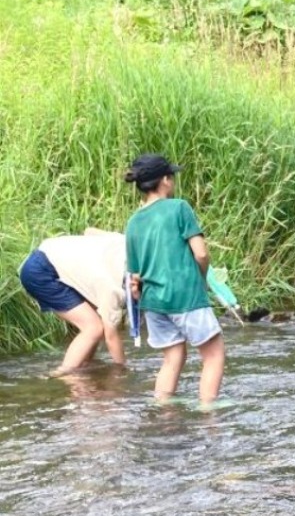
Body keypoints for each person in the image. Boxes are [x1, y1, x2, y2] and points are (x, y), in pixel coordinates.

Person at [124, 153, 226, 404]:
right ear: (165, 180)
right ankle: (208, 412)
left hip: (153, 301)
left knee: (172, 357)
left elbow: (134, 275)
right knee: (213, 355)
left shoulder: (133, 222)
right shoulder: (179, 208)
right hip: (184, 295)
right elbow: (201, 254)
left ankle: (163, 410)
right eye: (172, 177)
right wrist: (200, 280)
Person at [18, 228, 128, 375]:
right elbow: (111, 336)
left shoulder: (125, 242)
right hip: (41, 272)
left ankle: (83, 365)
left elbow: (89, 231)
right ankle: (66, 376)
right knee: (93, 327)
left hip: (49, 253)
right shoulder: (113, 288)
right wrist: (122, 370)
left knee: (95, 322)